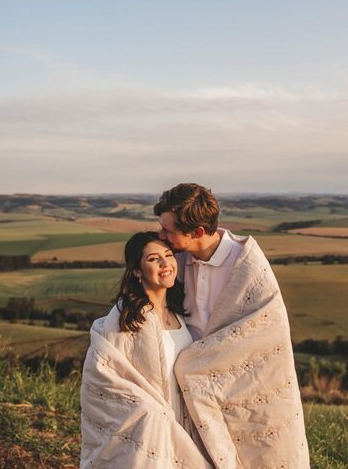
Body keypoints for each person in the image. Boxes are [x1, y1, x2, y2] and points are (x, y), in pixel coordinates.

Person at [155, 183, 311, 469]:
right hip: (182, 382)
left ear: (198, 232)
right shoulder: (173, 259)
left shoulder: (248, 265)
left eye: (168, 230)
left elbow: (265, 331)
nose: (161, 235)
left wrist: (194, 363)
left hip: (238, 379)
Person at [80, 231, 212, 469]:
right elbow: (103, 374)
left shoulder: (180, 313)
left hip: (183, 421)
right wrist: (151, 412)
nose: (165, 264)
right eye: (153, 259)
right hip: (151, 425)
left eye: (168, 255)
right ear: (137, 271)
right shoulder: (128, 316)